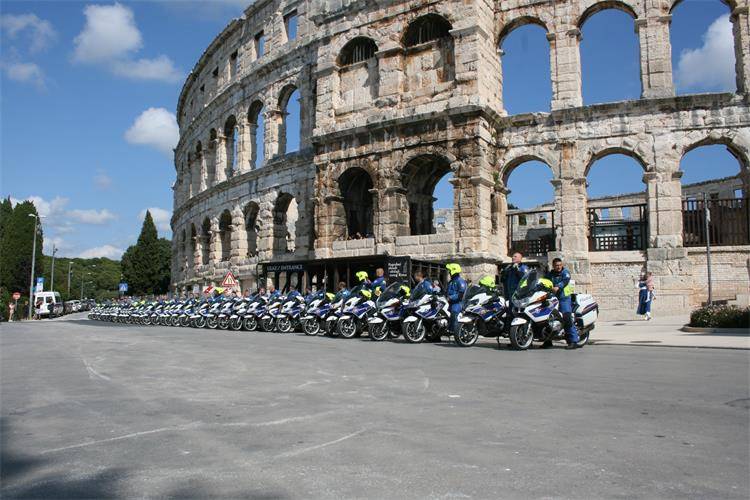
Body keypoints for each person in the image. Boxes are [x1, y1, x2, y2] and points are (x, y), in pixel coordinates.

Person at [545, 257, 580, 350]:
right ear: (553, 266)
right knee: (547, 318)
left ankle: (573, 341)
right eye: (556, 265)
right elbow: (544, 281)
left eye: (560, 265)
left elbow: (565, 281)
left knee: (567, 317)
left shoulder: (565, 272)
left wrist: (558, 286)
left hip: (564, 298)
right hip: (553, 298)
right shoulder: (550, 274)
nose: (558, 267)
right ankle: (548, 340)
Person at [445, 263, 467, 336]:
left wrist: (451, 297)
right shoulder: (451, 281)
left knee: (454, 312)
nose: (449, 272)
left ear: (454, 271)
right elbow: (447, 292)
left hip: (458, 303)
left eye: (450, 271)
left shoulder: (460, 281)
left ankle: (454, 331)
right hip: (449, 303)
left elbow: (461, 294)